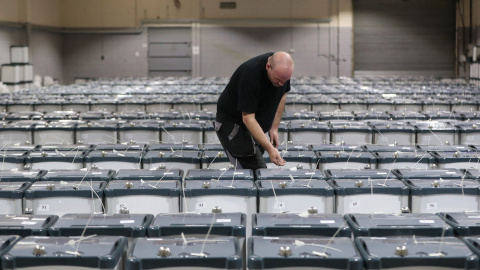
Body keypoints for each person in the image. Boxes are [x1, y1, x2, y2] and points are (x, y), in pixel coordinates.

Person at [214, 51, 294, 170]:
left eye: (285, 80)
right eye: (278, 80)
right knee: (257, 171)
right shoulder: (250, 75)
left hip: (255, 123)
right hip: (233, 124)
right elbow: (248, 118)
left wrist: (274, 128)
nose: (282, 84)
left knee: (250, 169)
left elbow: (282, 95)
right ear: (268, 67)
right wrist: (270, 149)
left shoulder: (282, 71)